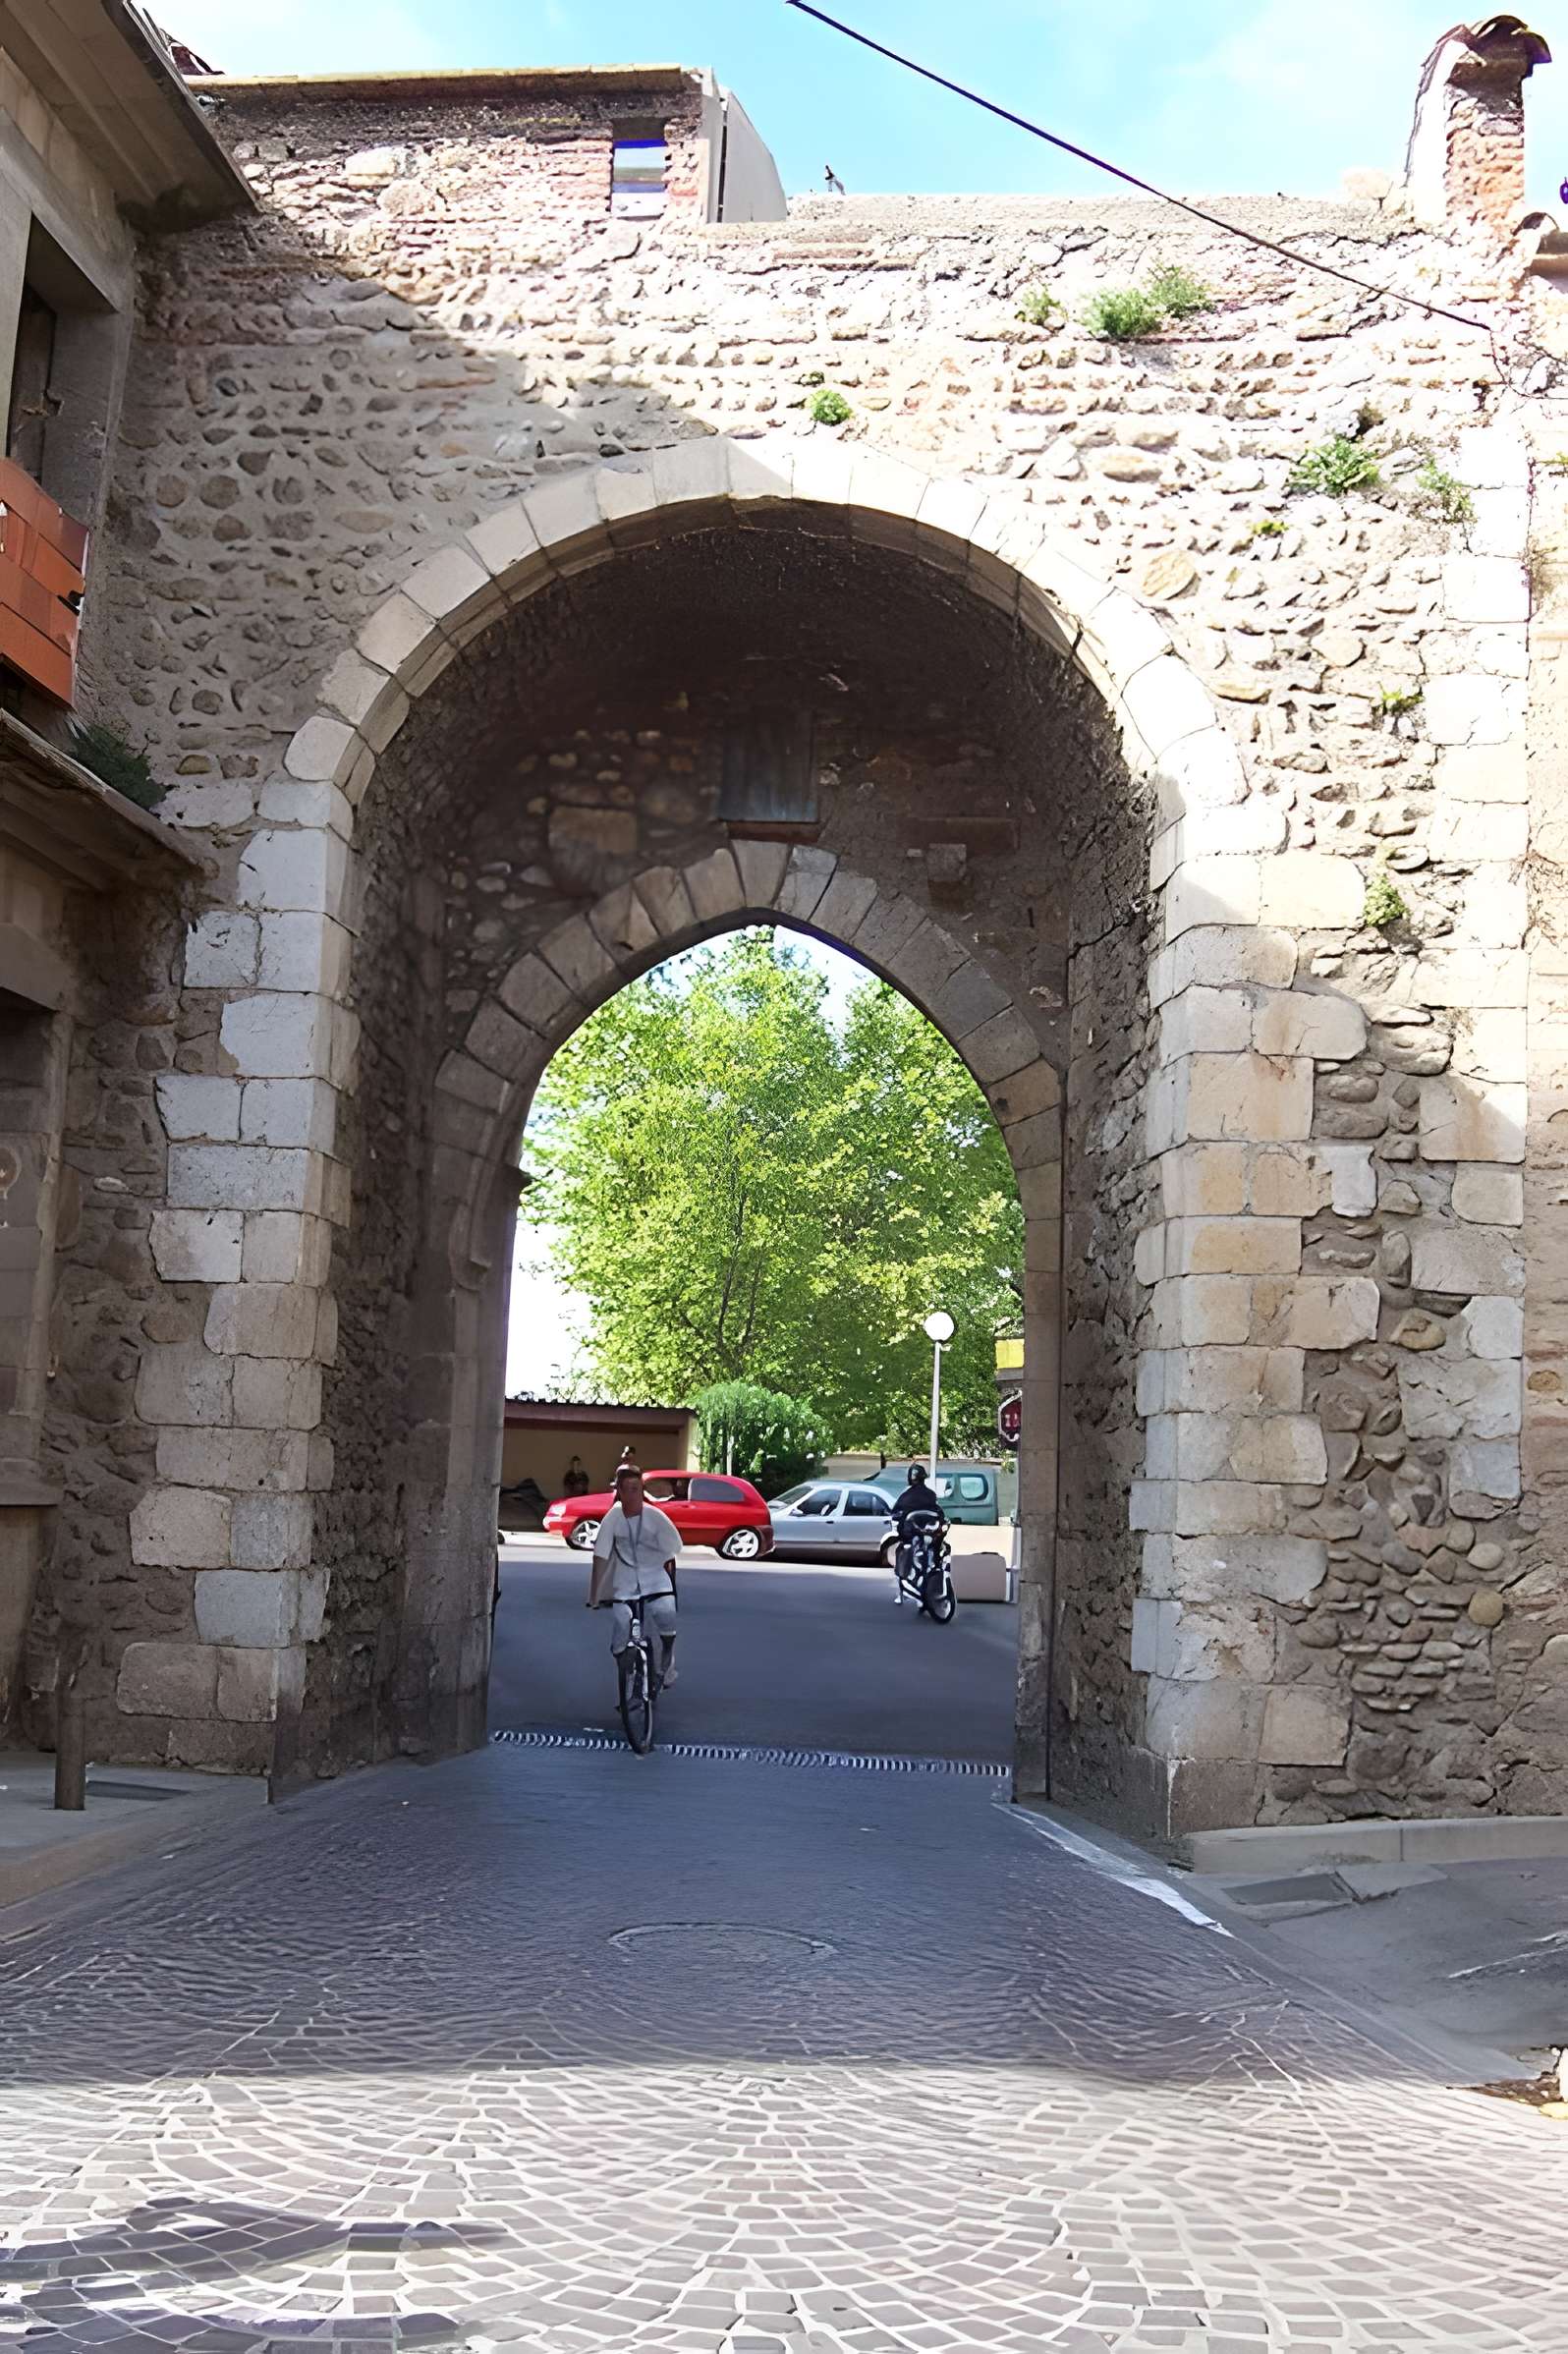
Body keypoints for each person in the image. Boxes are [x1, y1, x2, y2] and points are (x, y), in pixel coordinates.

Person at [591, 1464, 681, 1689]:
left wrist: (657, 1552)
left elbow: (673, 1549)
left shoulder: (655, 1517)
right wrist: (594, 1594)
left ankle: (665, 1661)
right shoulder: (613, 1518)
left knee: (667, 1614)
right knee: (622, 1620)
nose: (634, 1494)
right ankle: (625, 1670)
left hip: (656, 1579)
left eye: (637, 1489)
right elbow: (600, 1555)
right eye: (628, 1489)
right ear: (619, 1492)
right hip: (625, 1582)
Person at [888, 1464, 944, 1596]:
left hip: (912, 1532)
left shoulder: (906, 1495)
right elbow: (938, 1511)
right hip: (930, 1532)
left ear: (910, 1478)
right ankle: (936, 1567)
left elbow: (895, 1511)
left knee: (902, 1549)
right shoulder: (931, 1494)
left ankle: (903, 1580)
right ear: (924, 1478)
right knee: (939, 1548)